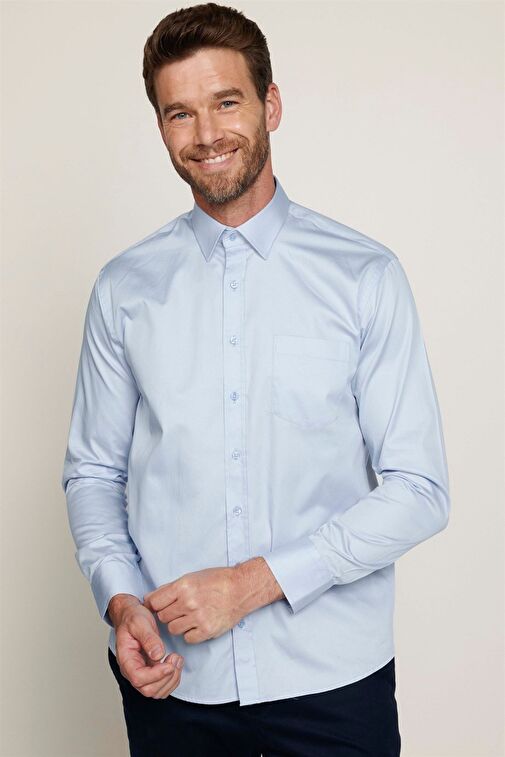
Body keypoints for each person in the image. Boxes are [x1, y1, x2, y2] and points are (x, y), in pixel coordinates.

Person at [61, 3, 451, 755]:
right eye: (180, 112)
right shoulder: (123, 289)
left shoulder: (364, 276)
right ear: (160, 127)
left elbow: (419, 490)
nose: (206, 134)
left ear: (270, 105)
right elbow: (93, 473)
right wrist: (120, 598)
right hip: (177, 682)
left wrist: (251, 583)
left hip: (334, 681)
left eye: (227, 102)